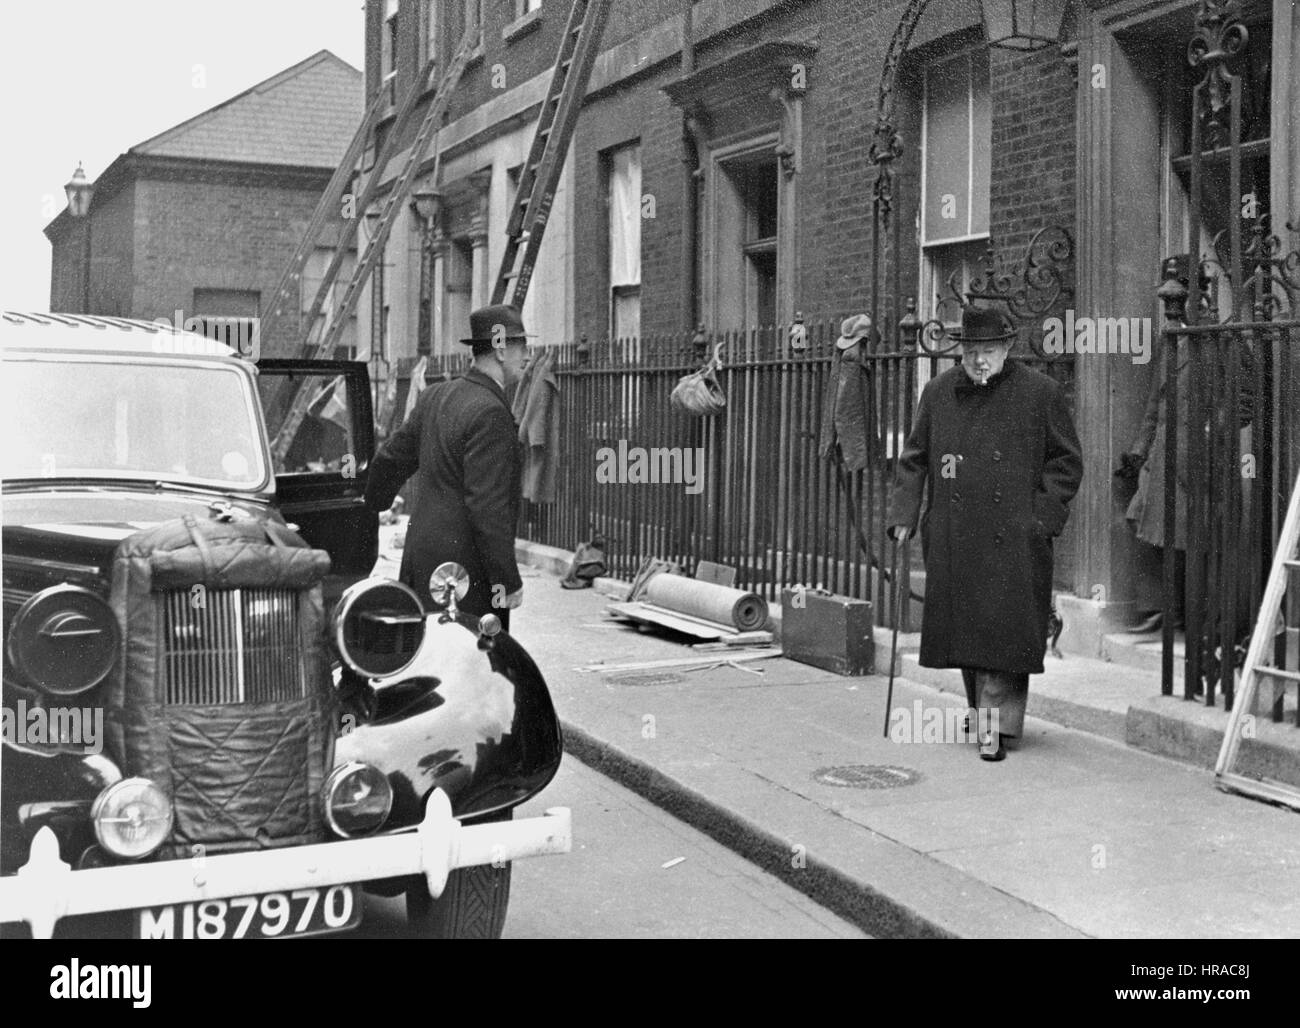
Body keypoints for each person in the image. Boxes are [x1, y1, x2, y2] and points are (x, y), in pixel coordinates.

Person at [886, 304, 1083, 761]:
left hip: (1014, 535)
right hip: (956, 532)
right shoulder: (938, 393)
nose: (979, 361)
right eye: (971, 352)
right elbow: (914, 457)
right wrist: (903, 514)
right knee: (969, 635)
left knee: (1003, 634)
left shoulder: (1040, 393)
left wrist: (1041, 517)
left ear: (1008, 348)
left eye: (989, 351)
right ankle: (985, 718)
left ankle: (994, 728)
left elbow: (1066, 461)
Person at [364, 303, 531, 630]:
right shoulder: (492, 413)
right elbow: (488, 507)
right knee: (475, 666)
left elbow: (389, 460)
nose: (527, 355)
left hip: (421, 558)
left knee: (424, 658)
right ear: (499, 349)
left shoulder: (435, 396)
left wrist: (371, 505)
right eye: (522, 345)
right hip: (465, 573)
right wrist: (508, 581)